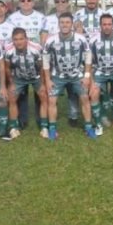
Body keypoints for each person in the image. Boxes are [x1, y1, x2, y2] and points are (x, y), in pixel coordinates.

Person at [42, 12, 95, 140]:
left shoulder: (81, 39)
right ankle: (52, 129)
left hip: (77, 76)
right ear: (58, 24)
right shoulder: (51, 40)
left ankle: (88, 127)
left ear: (72, 24)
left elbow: (88, 56)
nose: (64, 25)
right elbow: (45, 60)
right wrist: (48, 80)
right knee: (52, 100)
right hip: (58, 76)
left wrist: (87, 76)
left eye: (67, 22)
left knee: (85, 98)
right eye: (62, 22)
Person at [3, 28, 47, 138]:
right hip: (19, 77)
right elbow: (7, 68)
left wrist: (42, 83)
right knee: (12, 97)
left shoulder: (36, 48)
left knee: (44, 96)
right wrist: (11, 83)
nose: (18, 42)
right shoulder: (8, 50)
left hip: (35, 76)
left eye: (21, 39)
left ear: (26, 39)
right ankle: (13, 127)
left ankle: (44, 126)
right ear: (12, 40)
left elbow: (42, 66)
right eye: (15, 39)